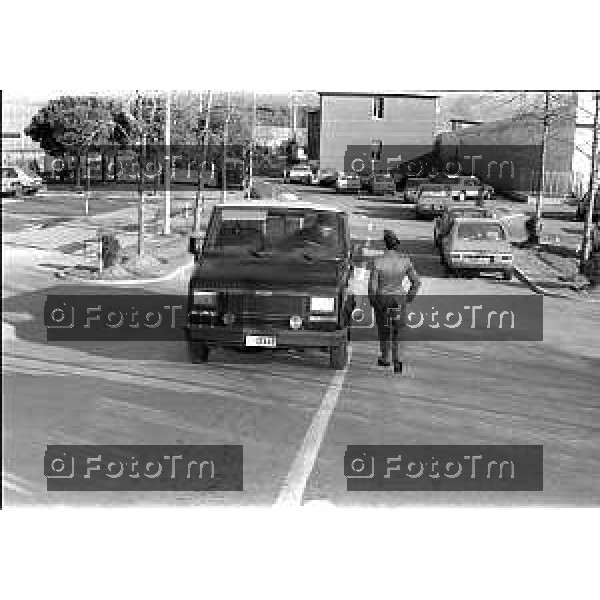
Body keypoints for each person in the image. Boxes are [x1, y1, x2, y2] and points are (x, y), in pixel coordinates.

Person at [368, 229, 421, 373]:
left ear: (384, 244)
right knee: (399, 331)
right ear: (397, 245)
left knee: (384, 330)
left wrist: (373, 301)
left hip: (383, 299)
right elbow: (416, 282)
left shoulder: (377, 262)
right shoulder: (405, 261)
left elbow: (372, 286)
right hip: (399, 299)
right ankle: (398, 360)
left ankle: (385, 358)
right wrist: (409, 297)